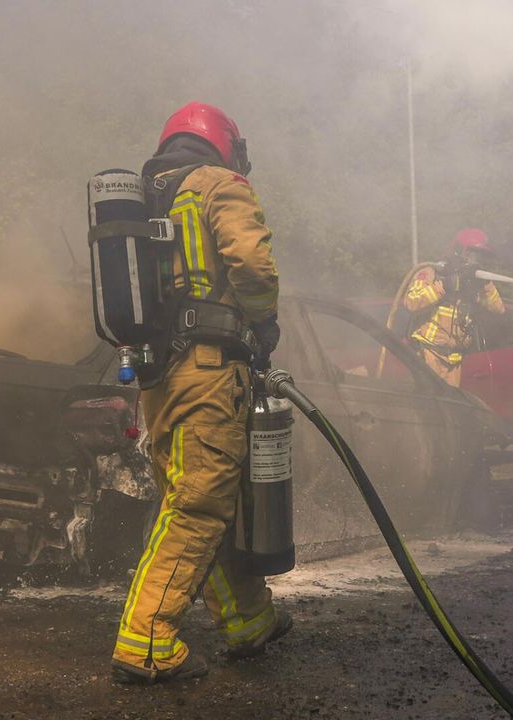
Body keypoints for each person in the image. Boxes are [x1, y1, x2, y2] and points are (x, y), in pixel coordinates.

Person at [111, 102, 291, 684]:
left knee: (205, 500)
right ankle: (146, 641)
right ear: (225, 145)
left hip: (159, 376)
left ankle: (248, 620)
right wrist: (263, 322)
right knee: (199, 505)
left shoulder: (146, 198)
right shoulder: (219, 183)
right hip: (208, 370)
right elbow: (253, 265)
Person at [405, 228, 506, 386]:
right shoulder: (433, 272)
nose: (477, 260)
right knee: (428, 400)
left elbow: (498, 308)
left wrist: (485, 284)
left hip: (454, 361)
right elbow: (411, 302)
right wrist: (444, 286)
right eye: (474, 254)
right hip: (428, 355)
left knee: (449, 402)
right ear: (459, 251)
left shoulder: (476, 283)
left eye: (481, 256)